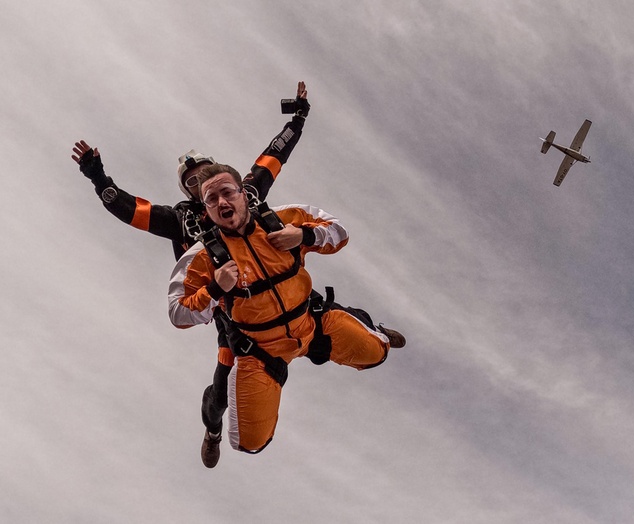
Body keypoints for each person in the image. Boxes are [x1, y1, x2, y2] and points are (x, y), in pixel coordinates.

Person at [71, 82, 313, 466]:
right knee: (222, 390)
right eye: (194, 183)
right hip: (229, 310)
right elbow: (129, 208)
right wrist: (97, 176)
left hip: (278, 287)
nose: (204, 186)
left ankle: (370, 333)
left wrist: (298, 119)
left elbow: (272, 158)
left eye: (206, 175)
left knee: (320, 310)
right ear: (190, 192)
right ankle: (213, 428)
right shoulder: (180, 219)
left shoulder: (244, 193)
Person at [168, 163, 405, 454]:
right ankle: (212, 430)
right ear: (204, 209)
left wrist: (304, 236)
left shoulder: (280, 220)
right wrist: (216, 288)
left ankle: (367, 324)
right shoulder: (200, 255)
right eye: (211, 199)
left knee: (376, 354)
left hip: (311, 322)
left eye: (227, 192)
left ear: (244, 194)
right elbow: (177, 313)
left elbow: (339, 232)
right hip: (259, 348)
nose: (221, 202)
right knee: (248, 442)